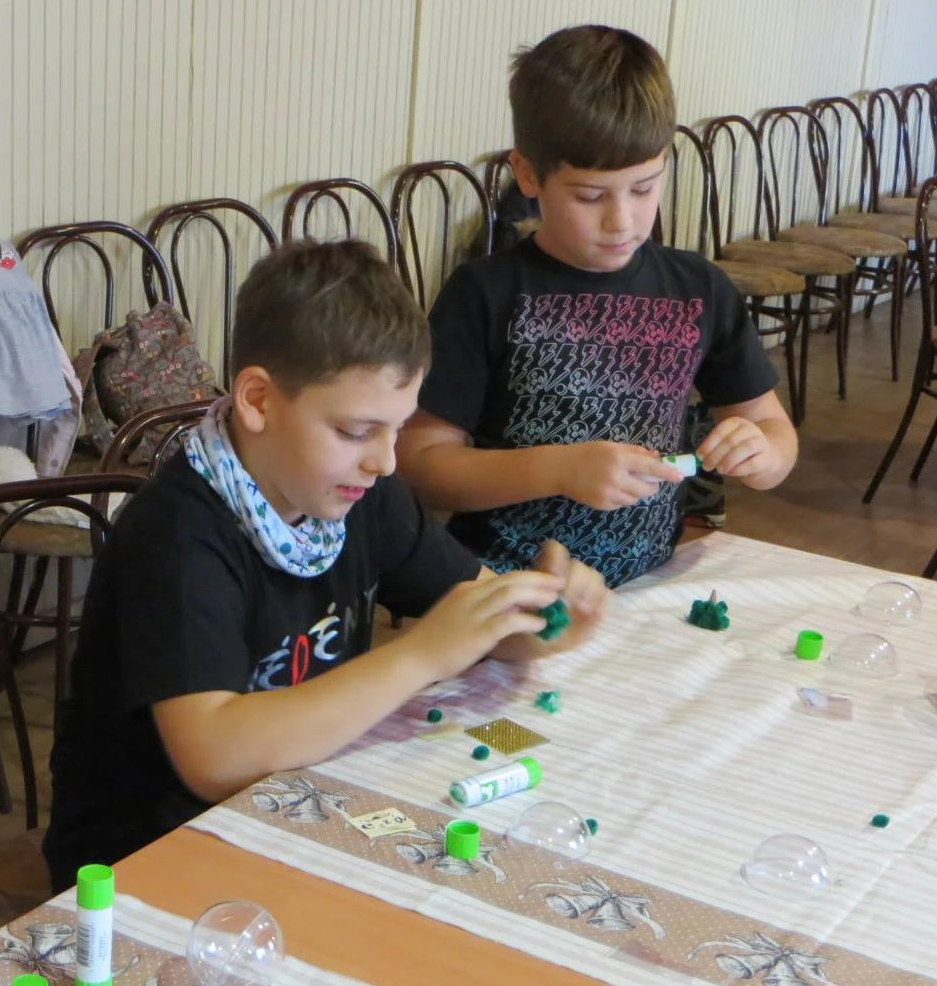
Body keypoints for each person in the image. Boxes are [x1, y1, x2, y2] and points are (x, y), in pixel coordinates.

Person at [41, 240, 607, 890]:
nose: (385, 461)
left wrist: (543, 615)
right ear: (259, 400)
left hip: (291, 806)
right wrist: (421, 655)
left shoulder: (358, 494)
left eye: (396, 429)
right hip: (149, 859)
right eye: (356, 431)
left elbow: (481, 620)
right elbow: (214, 757)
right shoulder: (176, 535)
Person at [396, 25, 798, 588]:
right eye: (590, 196)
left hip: (646, 583)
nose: (622, 221)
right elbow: (421, 465)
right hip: (506, 589)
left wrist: (762, 454)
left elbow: (771, 427)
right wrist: (559, 469)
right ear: (528, 174)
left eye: (644, 188)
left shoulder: (698, 288)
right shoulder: (484, 294)